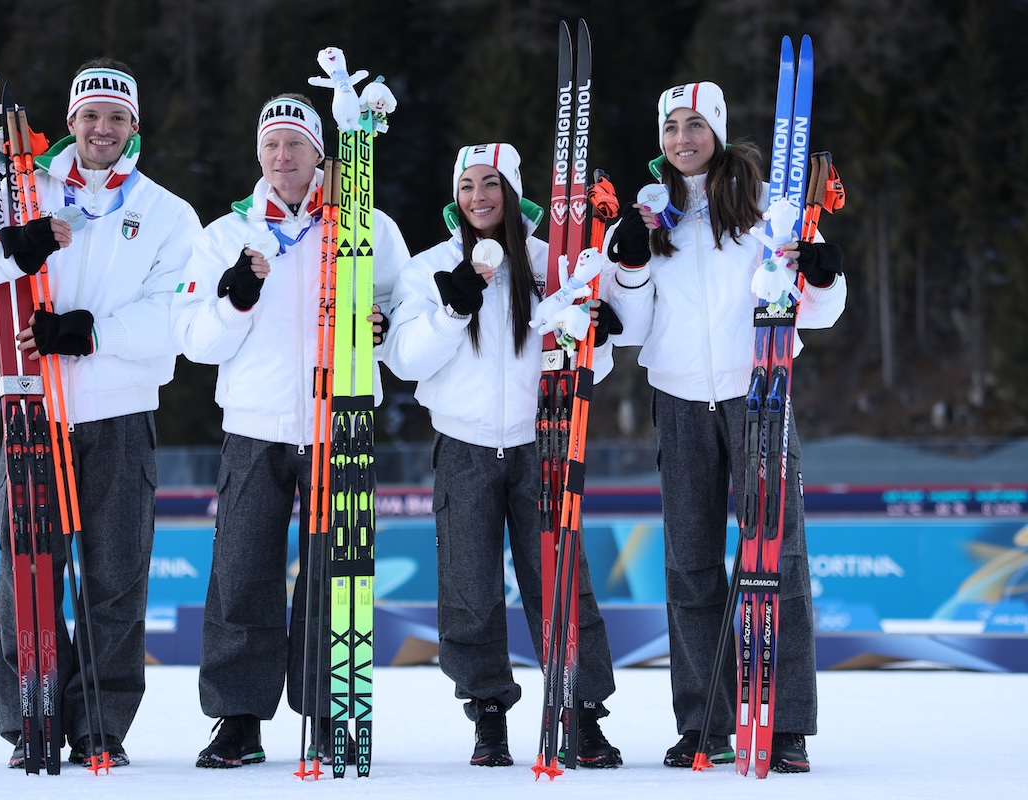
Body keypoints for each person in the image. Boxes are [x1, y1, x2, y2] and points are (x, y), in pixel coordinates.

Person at [0, 58, 201, 768]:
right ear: (71, 121)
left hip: (118, 412)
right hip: (32, 410)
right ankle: (29, 718)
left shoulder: (168, 212)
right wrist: (9, 255)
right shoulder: (24, 189)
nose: (101, 128)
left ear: (135, 125)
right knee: (27, 571)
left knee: (116, 576)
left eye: (116, 117)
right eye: (90, 116)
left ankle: (101, 722)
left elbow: (180, 318)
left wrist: (91, 334)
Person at [600, 81, 846, 772]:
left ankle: (786, 722)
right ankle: (703, 719)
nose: (683, 138)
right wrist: (629, 266)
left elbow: (818, 311)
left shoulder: (771, 205)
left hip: (757, 391)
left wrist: (822, 275)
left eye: (695, 125)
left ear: (717, 130)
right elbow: (633, 328)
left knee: (778, 555)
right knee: (689, 563)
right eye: (671, 126)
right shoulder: (651, 210)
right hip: (677, 397)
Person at [170, 93, 410, 769]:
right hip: (257, 423)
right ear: (259, 154)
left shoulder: (368, 226)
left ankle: (332, 707)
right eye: (272, 144)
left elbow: (400, 312)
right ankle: (237, 719)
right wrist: (235, 298)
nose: (283, 157)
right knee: (243, 567)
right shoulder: (227, 233)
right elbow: (195, 341)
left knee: (337, 573)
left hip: (343, 420)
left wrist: (383, 333)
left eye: (296, 144)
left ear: (319, 153)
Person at [383, 143, 624, 768]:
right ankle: (488, 714)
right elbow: (404, 359)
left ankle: (581, 712)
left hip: (541, 440)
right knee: (468, 588)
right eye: (467, 186)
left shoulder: (552, 262)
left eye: (491, 183)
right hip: (463, 444)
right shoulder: (429, 267)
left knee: (560, 582)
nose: (479, 197)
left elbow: (594, 361)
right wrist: (452, 305)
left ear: (513, 192)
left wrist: (589, 326)